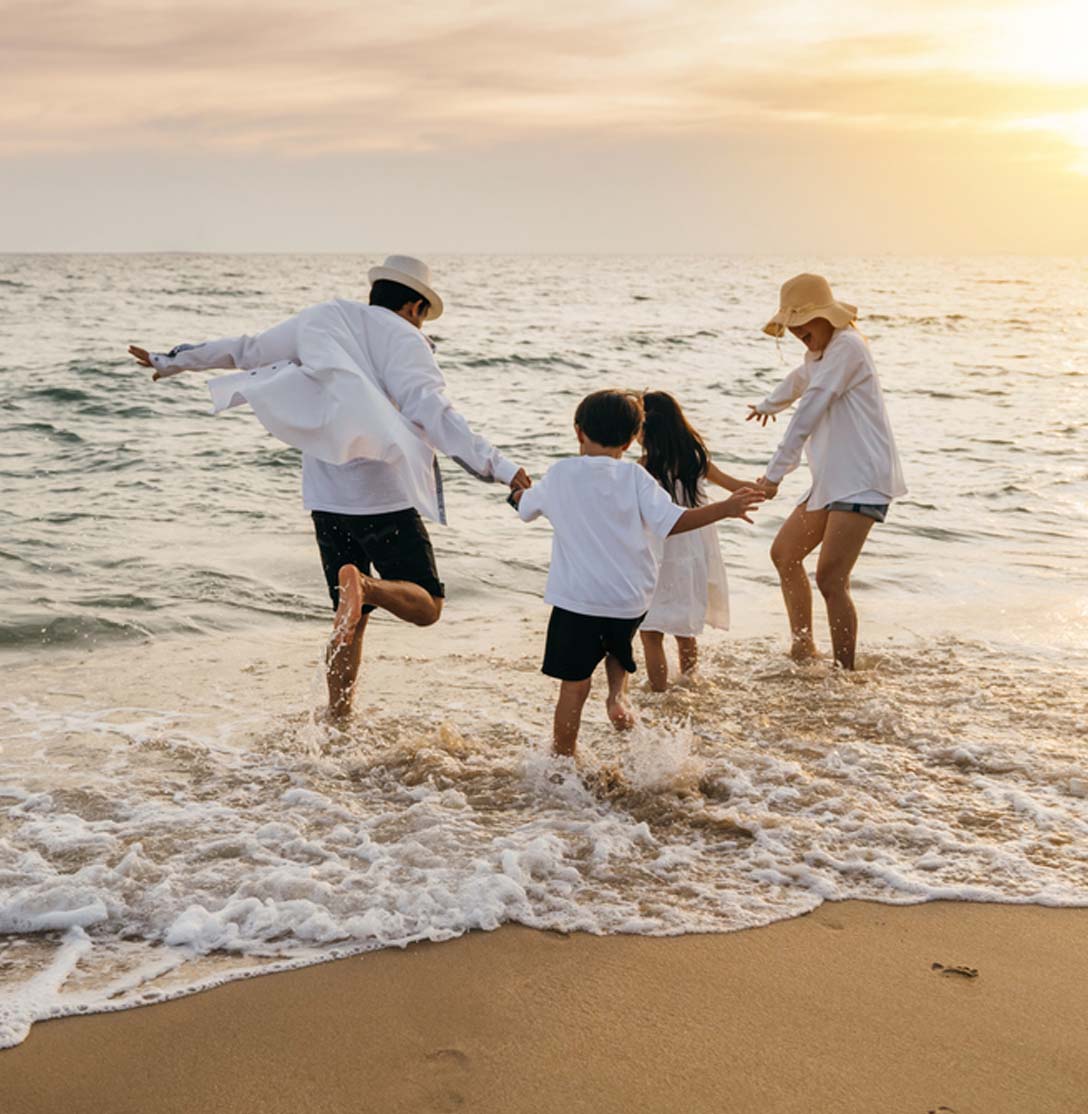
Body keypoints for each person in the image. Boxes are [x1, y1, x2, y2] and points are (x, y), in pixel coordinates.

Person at [129, 255, 530, 718]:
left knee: (349, 619)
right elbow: (436, 415)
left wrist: (172, 361)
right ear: (416, 306)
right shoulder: (408, 339)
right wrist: (499, 467)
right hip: (385, 498)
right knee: (428, 606)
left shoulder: (320, 318)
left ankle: (338, 720)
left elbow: (247, 348)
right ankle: (368, 587)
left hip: (326, 499)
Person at [514, 389, 764, 757]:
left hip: (577, 601)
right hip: (629, 601)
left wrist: (517, 493)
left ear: (578, 431)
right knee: (618, 647)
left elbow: (527, 509)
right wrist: (725, 508)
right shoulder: (636, 477)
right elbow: (674, 521)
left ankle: (563, 759)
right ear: (632, 440)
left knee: (574, 686)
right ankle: (617, 698)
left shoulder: (562, 473)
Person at [747, 273, 906, 670]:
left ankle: (844, 673)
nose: (797, 330)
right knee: (784, 554)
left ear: (824, 316)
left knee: (831, 578)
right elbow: (801, 380)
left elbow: (812, 405)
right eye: (792, 325)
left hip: (862, 478)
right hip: (832, 479)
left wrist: (774, 475)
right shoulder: (818, 354)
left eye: (801, 322)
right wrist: (768, 404)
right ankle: (803, 651)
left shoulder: (849, 347)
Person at [638, 390, 752, 691]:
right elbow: (735, 485)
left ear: (646, 429)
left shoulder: (643, 468)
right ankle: (690, 682)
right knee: (684, 627)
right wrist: (765, 486)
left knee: (651, 631)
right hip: (692, 552)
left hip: (659, 553)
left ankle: (659, 693)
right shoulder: (695, 460)